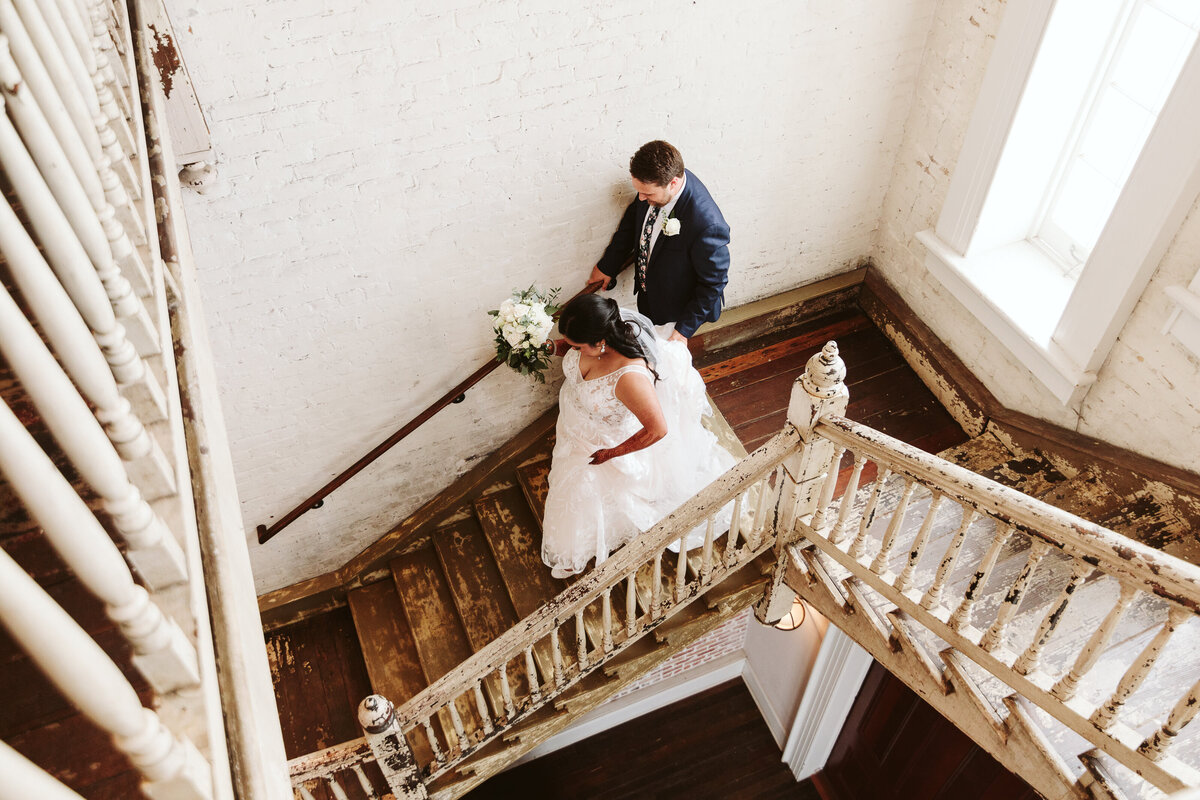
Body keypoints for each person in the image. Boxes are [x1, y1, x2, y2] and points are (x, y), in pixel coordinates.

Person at [540, 294, 736, 579]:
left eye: (577, 346)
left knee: (583, 493)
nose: (572, 350)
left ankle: (579, 545)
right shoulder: (592, 342)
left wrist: (611, 454)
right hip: (575, 426)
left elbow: (657, 429)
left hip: (603, 446)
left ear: (599, 342)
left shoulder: (630, 377)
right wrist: (544, 346)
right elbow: (567, 348)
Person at [587, 140, 730, 345]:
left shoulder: (707, 225)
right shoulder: (657, 181)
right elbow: (633, 219)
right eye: (639, 192)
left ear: (673, 182)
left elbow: (714, 283)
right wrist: (608, 265)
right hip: (650, 296)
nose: (641, 198)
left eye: (648, 194)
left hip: (676, 310)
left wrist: (683, 330)